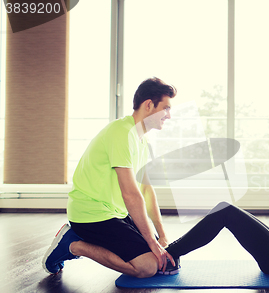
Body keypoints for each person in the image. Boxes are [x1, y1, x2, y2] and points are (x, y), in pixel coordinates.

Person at [42, 77, 177, 278]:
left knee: (165, 260)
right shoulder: (121, 133)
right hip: (91, 213)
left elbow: (146, 190)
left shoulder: (142, 141)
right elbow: (131, 194)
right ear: (149, 105)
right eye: (166, 108)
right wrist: (152, 242)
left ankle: (146, 245)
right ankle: (72, 244)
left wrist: (162, 237)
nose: (169, 115)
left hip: (116, 214)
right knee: (147, 266)